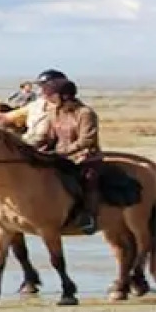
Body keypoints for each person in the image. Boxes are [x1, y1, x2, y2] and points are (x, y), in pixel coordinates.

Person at [33, 77, 101, 235]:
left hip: (84, 157)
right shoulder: (53, 111)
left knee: (88, 180)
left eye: (50, 95)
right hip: (60, 156)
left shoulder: (85, 113)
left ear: (63, 96)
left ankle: (89, 215)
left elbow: (87, 139)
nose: (46, 98)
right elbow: (49, 136)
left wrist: (64, 152)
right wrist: (33, 147)